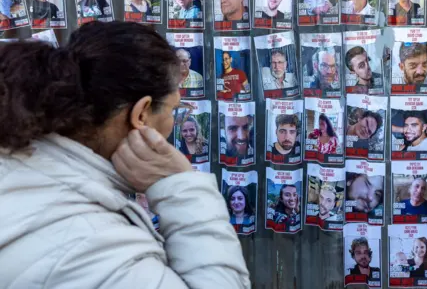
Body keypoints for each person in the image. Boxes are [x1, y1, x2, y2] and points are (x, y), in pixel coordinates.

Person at [0, 21, 250, 288]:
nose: (172, 124)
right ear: (141, 114)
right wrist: (182, 187)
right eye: (172, 110)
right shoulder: (89, 245)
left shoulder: (22, 158)